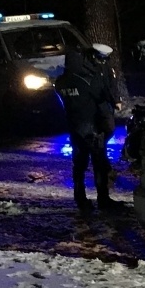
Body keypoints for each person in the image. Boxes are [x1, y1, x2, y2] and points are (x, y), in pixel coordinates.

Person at [57, 41, 120, 213]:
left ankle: (81, 199)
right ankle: (103, 200)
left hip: (74, 126)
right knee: (98, 164)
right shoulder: (87, 80)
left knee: (79, 165)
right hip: (92, 127)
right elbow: (100, 100)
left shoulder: (60, 82)